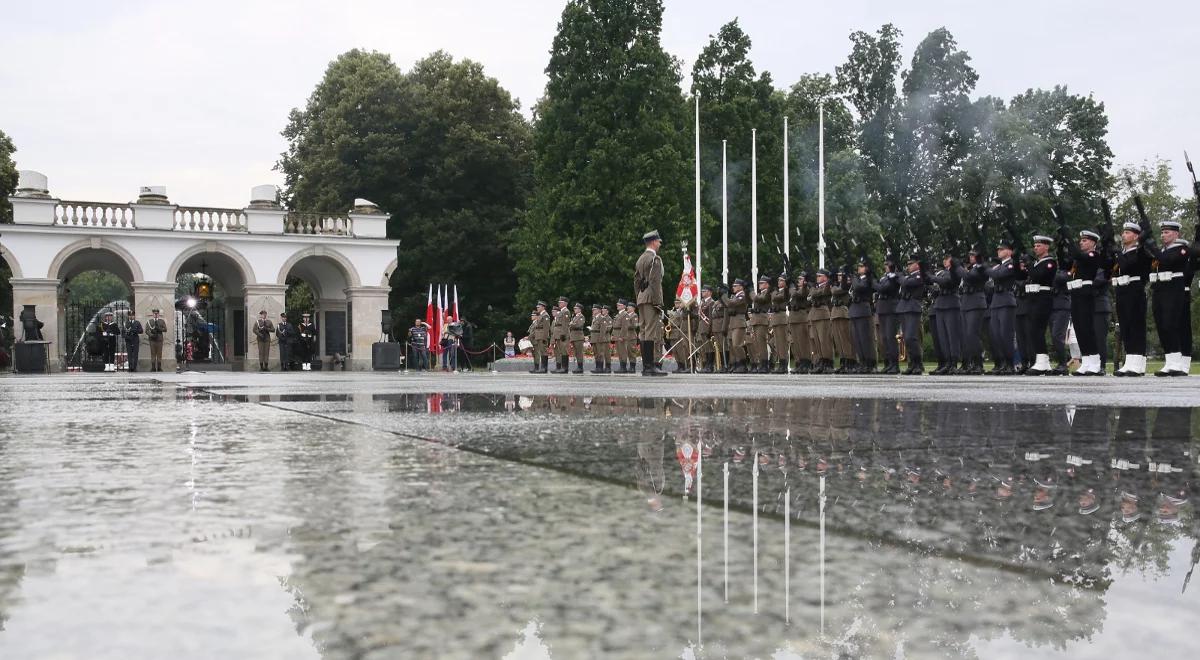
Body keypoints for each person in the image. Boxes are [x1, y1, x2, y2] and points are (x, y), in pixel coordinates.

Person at [1148, 220, 1191, 376]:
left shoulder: (1182, 250)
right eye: (1162, 232)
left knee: (1170, 324)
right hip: (1159, 289)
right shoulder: (1162, 251)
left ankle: (1178, 363)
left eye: (1167, 232)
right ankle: (1171, 361)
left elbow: (1168, 261)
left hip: (1174, 289)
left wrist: (1153, 248)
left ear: (1176, 234)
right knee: (1161, 326)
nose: (1163, 235)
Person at [1060, 229, 1105, 375]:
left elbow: (1078, 255)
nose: (1081, 242)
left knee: (1087, 328)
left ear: (1093, 243)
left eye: (1084, 240)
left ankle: (1095, 362)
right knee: (1079, 329)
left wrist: (1069, 238)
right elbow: (1064, 263)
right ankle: (1086, 361)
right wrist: (1061, 246)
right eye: (1080, 240)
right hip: (1076, 294)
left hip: (1086, 294)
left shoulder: (1093, 255)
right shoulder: (1079, 259)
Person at [1113, 221, 1152, 376]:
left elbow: (1128, 266)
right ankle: (1129, 361)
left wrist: (1118, 253)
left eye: (1128, 233)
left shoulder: (1140, 252)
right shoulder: (1123, 252)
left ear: (1136, 236)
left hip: (1135, 290)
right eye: (1123, 232)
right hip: (1122, 291)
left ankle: (1137, 363)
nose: (1123, 235)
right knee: (1126, 326)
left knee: (1136, 327)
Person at [633, 230, 668, 376]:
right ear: (654, 242)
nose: (660, 244)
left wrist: (639, 296)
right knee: (650, 331)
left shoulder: (641, 258)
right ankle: (649, 366)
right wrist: (658, 302)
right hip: (650, 298)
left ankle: (647, 366)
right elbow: (655, 282)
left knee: (643, 330)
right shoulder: (655, 259)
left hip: (642, 297)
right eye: (659, 241)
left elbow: (636, 281)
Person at [1023, 235, 1057, 375]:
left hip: (1043, 298)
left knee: (1037, 330)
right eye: (1035, 246)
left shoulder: (1050, 262)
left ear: (1046, 247)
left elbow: (1038, 275)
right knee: (1033, 330)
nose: (1035, 248)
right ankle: (1043, 361)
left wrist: (1029, 264)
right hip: (1033, 299)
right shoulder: (1037, 263)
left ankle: (1042, 362)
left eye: (1039, 246)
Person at [987, 241, 1020, 375]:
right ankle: (1002, 363)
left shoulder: (1011, 264)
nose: (999, 251)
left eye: (1002, 249)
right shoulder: (999, 266)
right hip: (996, 301)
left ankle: (1010, 364)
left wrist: (985, 268)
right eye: (998, 249)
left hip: (1007, 300)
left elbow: (998, 275)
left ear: (1009, 251)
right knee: (996, 335)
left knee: (1006, 334)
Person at [930, 254, 964, 375]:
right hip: (940, 304)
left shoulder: (955, 272)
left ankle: (953, 362)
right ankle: (947, 362)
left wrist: (933, 278)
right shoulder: (943, 272)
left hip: (951, 303)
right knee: (943, 336)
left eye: (947, 259)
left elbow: (947, 281)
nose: (945, 261)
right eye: (943, 259)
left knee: (952, 335)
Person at [958, 251, 988, 375]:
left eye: (973, 256)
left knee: (972, 334)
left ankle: (978, 363)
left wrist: (960, 269)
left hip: (976, 303)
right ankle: (971, 363)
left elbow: (970, 278)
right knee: (967, 335)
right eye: (969, 256)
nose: (971, 258)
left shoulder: (981, 268)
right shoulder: (971, 269)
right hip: (966, 303)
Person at [897, 257, 927, 375]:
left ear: (917, 265)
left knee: (911, 337)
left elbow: (905, 283)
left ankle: (918, 364)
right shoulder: (908, 276)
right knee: (906, 338)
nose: (908, 266)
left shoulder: (919, 276)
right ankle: (912, 364)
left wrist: (900, 276)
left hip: (913, 308)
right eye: (907, 264)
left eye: (911, 264)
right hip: (904, 308)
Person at [849, 260, 877, 374]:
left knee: (866, 339)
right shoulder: (859, 279)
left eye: (861, 266)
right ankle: (862, 362)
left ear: (866, 268)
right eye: (858, 266)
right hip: (855, 310)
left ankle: (870, 363)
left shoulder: (867, 279)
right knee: (858, 339)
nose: (858, 268)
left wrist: (854, 277)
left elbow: (858, 287)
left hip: (863, 310)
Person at [875, 259, 901, 374]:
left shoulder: (894, 277)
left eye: (888, 265)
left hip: (891, 309)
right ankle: (889, 363)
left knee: (890, 338)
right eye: (885, 264)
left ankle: (895, 364)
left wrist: (875, 283)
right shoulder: (884, 277)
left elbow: (883, 288)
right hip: (883, 309)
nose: (885, 266)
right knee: (884, 338)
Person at [808, 270, 833, 374]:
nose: (817, 277)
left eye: (820, 276)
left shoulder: (827, 286)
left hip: (822, 314)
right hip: (814, 315)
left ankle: (828, 363)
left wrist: (813, 291)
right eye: (817, 276)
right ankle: (821, 362)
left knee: (824, 341)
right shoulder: (817, 287)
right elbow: (809, 297)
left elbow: (817, 293)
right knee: (817, 342)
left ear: (826, 277)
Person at [722, 279, 749, 373]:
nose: (733, 287)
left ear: (741, 287)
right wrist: (721, 297)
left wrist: (723, 295)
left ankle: (743, 364)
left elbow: (731, 304)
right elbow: (727, 305)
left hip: (739, 322)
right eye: (733, 286)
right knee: (734, 346)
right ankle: (738, 364)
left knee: (737, 344)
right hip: (733, 322)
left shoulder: (742, 295)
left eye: (735, 286)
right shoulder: (735, 296)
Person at [789, 273, 812, 374]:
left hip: (801, 317)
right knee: (796, 343)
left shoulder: (805, 289)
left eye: (801, 279)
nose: (798, 281)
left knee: (803, 343)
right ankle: (800, 363)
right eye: (798, 279)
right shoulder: (797, 290)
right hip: (794, 318)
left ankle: (806, 363)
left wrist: (804, 284)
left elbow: (799, 294)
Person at [748, 276, 771, 373]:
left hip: (762, 320)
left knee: (761, 344)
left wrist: (751, 291)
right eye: (759, 283)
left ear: (767, 284)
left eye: (762, 283)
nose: (760, 285)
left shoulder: (767, 293)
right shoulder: (761, 293)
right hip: (757, 320)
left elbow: (757, 299)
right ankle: (761, 363)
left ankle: (764, 365)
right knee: (757, 344)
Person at [769, 274, 791, 374]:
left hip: (782, 318)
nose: (779, 282)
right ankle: (781, 364)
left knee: (782, 343)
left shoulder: (785, 292)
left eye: (781, 280)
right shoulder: (778, 292)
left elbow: (776, 298)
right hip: (776, 318)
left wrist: (774, 292)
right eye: (778, 280)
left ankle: (784, 365)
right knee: (778, 343)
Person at [696, 285, 715, 373]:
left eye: (705, 291)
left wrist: (710, 329)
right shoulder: (702, 302)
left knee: (709, 347)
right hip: (702, 328)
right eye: (702, 291)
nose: (702, 292)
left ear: (710, 292)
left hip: (707, 327)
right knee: (705, 348)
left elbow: (711, 317)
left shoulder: (711, 302)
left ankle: (710, 366)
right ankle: (706, 365)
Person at [551, 297, 571, 374]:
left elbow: (565, 324)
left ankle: (565, 368)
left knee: (564, 351)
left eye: (561, 302)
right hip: (559, 334)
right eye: (559, 302)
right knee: (561, 351)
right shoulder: (561, 312)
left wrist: (563, 334)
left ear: (565, 303)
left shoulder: (566, 311)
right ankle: (562, 368)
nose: (559, 303)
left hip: (563, 334)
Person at [531, 301, 551, 374]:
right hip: (539, 336)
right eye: (537, 307)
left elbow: (546, 327)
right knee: (541, 352)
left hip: (542, 336)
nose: (537, 308)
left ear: (543, 307)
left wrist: (545, 338)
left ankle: (544, 368)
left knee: (544, 351)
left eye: (538, 307)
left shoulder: (545, 315)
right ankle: (542, 368)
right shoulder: (540, 315)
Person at [612, 300, 630, 373]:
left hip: (621, 334)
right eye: (617, 304)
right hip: (617, 333)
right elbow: (614, 326)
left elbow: (625, 326)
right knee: (619, 352)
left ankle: (623, 367)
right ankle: (621, 366)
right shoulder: (618, 314)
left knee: (623, 351)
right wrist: (613, 335)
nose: (617, 306)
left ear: (624, 306)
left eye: (619, 305)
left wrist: (622, 336)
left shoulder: (625, 314)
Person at [569, 302, 586, 374]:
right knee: (576, 353)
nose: (574, 310)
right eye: (574, 308)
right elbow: (571, 325)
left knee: (579, 353)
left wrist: (572, 324)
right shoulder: (575, 317)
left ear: (580, 309)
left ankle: (580, 367)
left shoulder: (581, 317)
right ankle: (578, 367)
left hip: (578, 337)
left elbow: (579, 325)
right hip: (574, 336)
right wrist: (572, 324)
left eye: (576, 308)